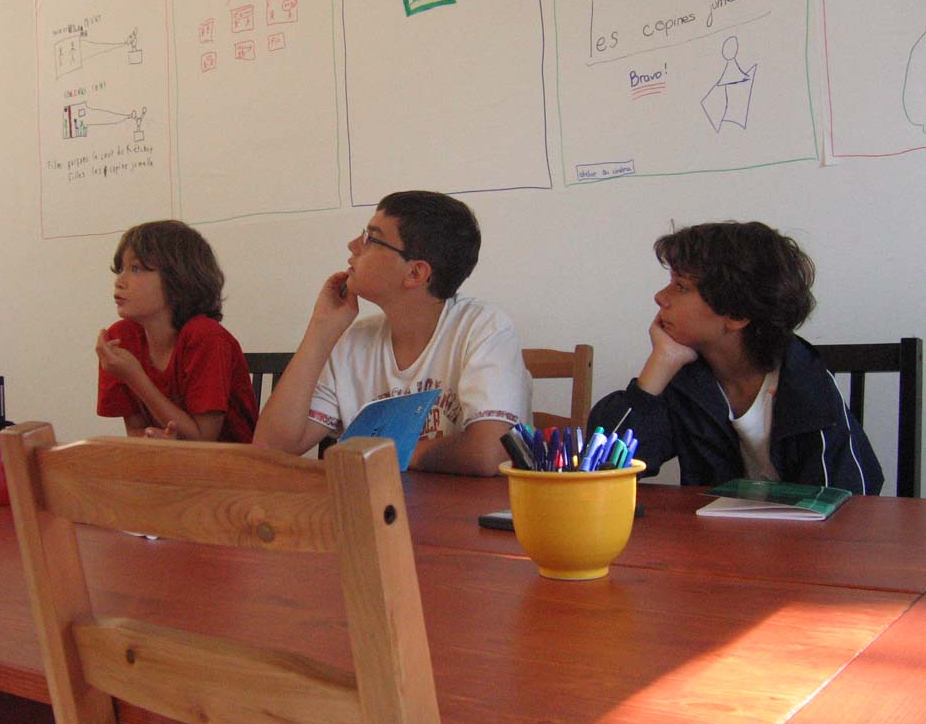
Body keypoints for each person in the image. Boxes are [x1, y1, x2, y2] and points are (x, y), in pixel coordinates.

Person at [588, 221, 882, 494]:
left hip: (799, 534)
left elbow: (847, 496)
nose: (660, 296)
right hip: (712, 532)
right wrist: (660, 364)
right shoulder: (688, 380)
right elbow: (601, 467)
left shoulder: (804, 381)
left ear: (737, 314)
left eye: (681, 286)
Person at [254, 190, 531, 476]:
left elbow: (488, 452)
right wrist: (321, 330)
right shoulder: (354, 341)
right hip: (376, 501)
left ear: (415, 273)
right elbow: (270, 448)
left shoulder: (484, 328)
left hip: (459, 504)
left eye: (371, 239)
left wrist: (381, 453)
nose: (353, 245)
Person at [96, 220, 257, 443]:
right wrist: (153, 438)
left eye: (136, 268)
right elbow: (135, 431)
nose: (119, 281)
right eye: (121, 269)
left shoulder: (206, 337)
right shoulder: (120, 338)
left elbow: (203, 440)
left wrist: (134, 377)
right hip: (166, 461)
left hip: (230, 462)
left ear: (178, 279)